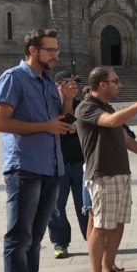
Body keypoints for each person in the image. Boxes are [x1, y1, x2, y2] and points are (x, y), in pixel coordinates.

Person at [0, 28, 74, 272]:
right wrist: (46, 126)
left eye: (56, 50)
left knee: (35, 239)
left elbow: (58, 123)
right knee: (19, 238)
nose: (55, 55)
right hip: (24, 168)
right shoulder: (13, 78)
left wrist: (66, 102)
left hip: (52, 167)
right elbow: (0, 123)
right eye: (50, 50)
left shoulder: (47, 83)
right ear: (32, 50)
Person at [75, 67, 137, 272]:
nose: (120, 84)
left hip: (120, 172)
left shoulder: (107, 107)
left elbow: (125, 139)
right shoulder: (87, 107)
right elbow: (113, 121)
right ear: (102, 84)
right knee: (101, 226)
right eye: (115, 81)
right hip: (103, 173)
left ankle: (109, 270)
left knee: (117, 224)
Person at [46, 72, 86, 260]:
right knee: (56, 207)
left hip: (80, 163)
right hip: (56, 164)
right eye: (69, 83)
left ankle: (92, 239)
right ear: (58, 85)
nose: (74, 86)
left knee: (86, 205)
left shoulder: (82, 107)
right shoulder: (49, 108)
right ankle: (60, 243)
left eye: (76, 83)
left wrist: (79, 127)